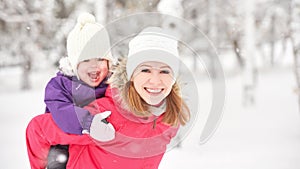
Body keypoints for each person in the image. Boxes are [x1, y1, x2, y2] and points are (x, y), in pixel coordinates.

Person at [65, 26, 191, 168]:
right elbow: (39, 129)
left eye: (164, 71)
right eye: (145, 70)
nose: (155, 81)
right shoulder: (103, 112)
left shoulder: (170, 119)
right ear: (131, 74)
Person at [26, 12, 115, 169]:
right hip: (64, 145)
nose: (94, 65)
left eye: (100, 59)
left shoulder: (112, 84)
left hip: (99, 146)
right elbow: (62, 111)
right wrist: (88, 122)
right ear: (74, 63)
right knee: (57, 161)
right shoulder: (60, 85)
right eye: (86, 60)